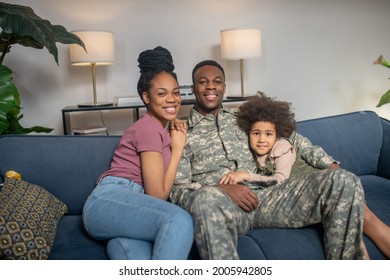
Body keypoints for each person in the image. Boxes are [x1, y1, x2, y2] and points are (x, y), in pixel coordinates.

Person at [169, 59, 387, 260]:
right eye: (203, 82)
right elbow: (177, 189)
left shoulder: (242, 118)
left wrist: (327, 163)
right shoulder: (181, 132)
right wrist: (221, 189)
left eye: (217, 82)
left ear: (224, 87)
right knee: (204, 199)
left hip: (269, 196)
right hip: (224, 206)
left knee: (342, 180)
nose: (210, 87)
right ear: (193, 88)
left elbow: (293, 137)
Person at [221, 92, 390, 259]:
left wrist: (332, 166)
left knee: (365, 218)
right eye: (256, 133)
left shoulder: (282, 144)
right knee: (355, 220)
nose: (261, 138)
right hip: (307, 191)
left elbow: (287, 172)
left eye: (268, 134)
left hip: (319, 184)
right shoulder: (249, 144)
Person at [82, 46, 194, 260]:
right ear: (146, 97)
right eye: (161, 94)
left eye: (176, 92)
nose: (172, 99)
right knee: (178, 220)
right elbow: (158, 195)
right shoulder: (149, 129)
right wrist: (177, 149)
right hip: (111, 199)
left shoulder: (159, 129)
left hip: (129, 208)